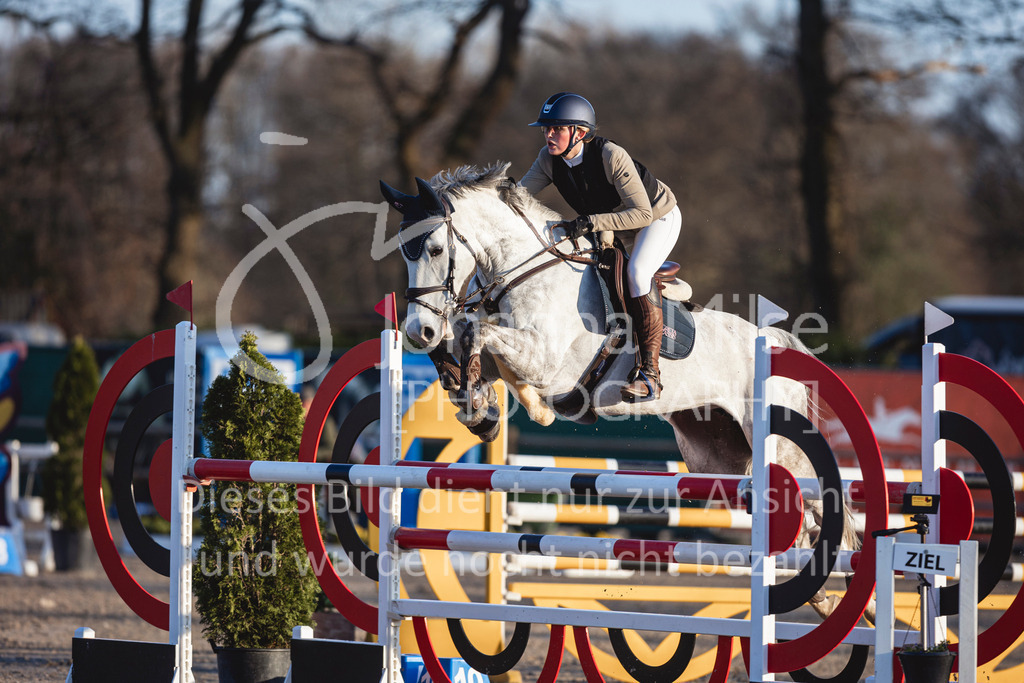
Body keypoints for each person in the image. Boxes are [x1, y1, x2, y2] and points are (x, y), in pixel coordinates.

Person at [519, 92, 681, 402]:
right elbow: (519, 196)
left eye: (557, 128)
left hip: (656, 217)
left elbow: (642, 214)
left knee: (637, 273)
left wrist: (591, 222)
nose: (548, 135)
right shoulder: (548, 159)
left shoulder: (611, 156)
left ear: (580, 132)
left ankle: (650, 375)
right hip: (613, 225)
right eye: (546, 129)